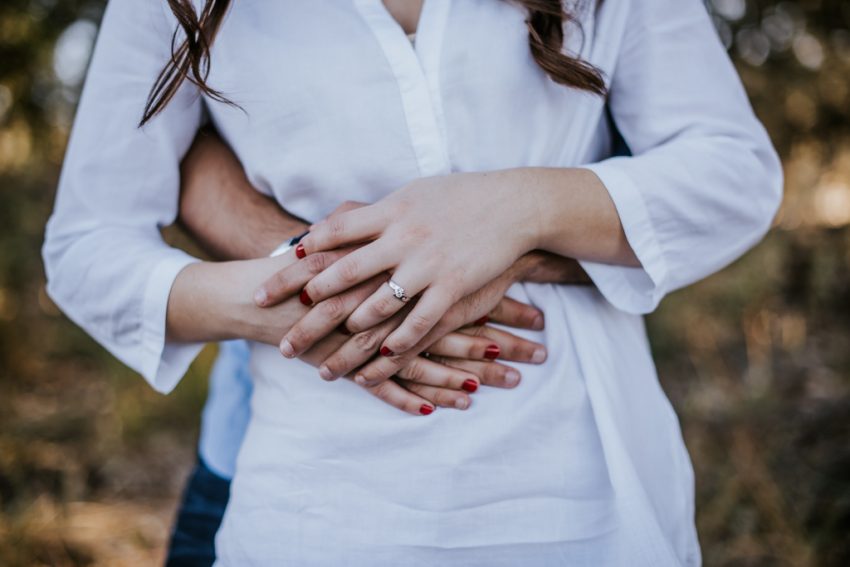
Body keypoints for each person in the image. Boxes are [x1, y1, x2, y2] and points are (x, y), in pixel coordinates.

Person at [43, 0, 783, 565]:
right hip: (318, 508)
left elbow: (732, 170)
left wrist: (515, 208)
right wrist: (291, 301)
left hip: (586, 495)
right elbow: (88, 240)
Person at [164, 128, 594, 565]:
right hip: (269, 460)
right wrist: (326, 268)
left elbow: (652, 197)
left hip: (551, 470)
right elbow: (166, 143)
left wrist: (505, 235)